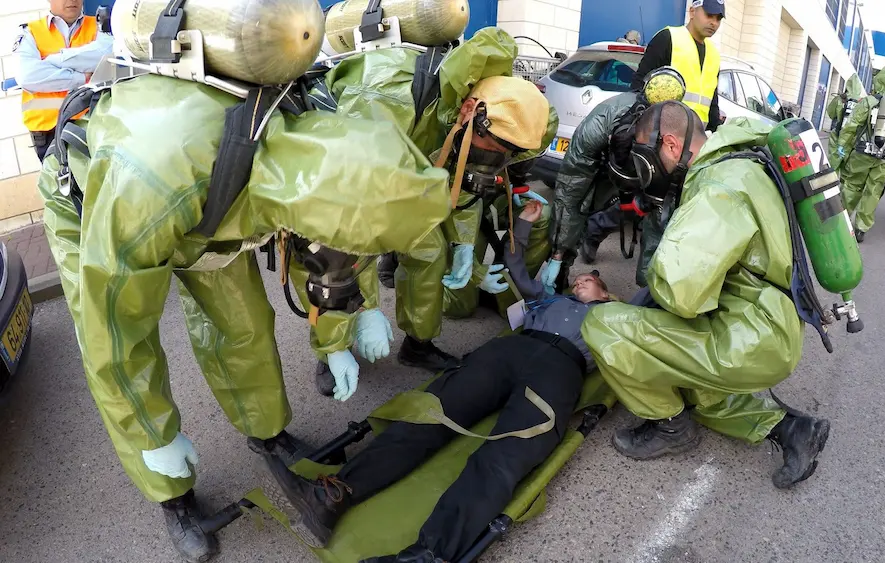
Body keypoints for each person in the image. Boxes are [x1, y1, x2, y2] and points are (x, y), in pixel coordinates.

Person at [37, 44, 454, 563]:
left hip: (215, 203)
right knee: (118, 339)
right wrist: (153, 439)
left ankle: (268, 433)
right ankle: (174, 495)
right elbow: (115, 332)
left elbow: (330, 257)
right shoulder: (152, 184)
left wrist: (344, 329)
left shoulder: (318, 147)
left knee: (245, 327)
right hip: (103, 205)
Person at [259, 199, 613, 561]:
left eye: (593, 279)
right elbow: (516, 268)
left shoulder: (618, 319)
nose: (585, 278)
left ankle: (429, 554)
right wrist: (522, 224)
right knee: (433, 412)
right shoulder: (548, 299)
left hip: (561, 368)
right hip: (512, 350)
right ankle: (333, 496)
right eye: (582, 276)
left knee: (506, 455)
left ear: (607, 295)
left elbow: (652, 322)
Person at [580, 101, 831, 488]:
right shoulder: (742, 160)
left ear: (669, 144)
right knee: (690, 380)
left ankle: (671, 427)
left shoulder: (716, 189)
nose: (652, 176)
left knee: (603, 327)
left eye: (650, 162)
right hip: (769, 325)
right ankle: (793, 429)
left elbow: (681, 295)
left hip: (751, 335)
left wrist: (613, 300)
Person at [303, 30, 557, 391]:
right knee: (334, 267)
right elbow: (345, 221)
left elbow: (460, 184)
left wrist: (465, 245)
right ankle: (331, 349)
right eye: (497, 149)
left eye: (506, 155)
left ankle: (417, 345)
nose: (496, 160)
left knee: (431, 251)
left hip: (399, 173)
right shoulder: (388, 103)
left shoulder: (469, 117)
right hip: (335, 184)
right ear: (471, 111)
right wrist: (368, 307)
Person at [545, 67, 687, 290]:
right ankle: (559, 271)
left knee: (661, 221)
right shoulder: (602, 121)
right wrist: (558, 253)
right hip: (604, 168)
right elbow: (570, 194)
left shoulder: (679, 136)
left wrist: (650, 289)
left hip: (652, 178)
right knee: (579, 208)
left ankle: (649, 291)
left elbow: (664, 218)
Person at [15, 0, 112, 161]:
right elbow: (28, 75)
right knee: (57, 184)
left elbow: (106, 54)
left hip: (92, 125)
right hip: (47, 132)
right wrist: (80, 77)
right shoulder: (30, 32)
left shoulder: (99, 26)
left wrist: (51, 61)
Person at [835, 67, 885, 243]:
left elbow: (852, 125)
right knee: (873, 192)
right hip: (884, 158)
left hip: (862, 153)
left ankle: (840, 223)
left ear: (877, 83)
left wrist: (842, 145)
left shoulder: (868, 101)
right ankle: (861, 229)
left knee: (852, 186)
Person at [629, 0, 724, 132]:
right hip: (662, 137)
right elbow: (639, 86)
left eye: (718, 18)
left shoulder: (713, 54)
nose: (714, 23)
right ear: (692, 12)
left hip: (696, 140)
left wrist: (716, 133)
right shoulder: (668, 38)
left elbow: (712, 102)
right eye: (709, 15)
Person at [825, 74, 864, 171]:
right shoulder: (862, 102)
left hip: (837, 135)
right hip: (852, 139)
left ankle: (830, 183)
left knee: (833, 165)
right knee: (847, 169)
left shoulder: (840, 99)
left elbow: (830, 113)